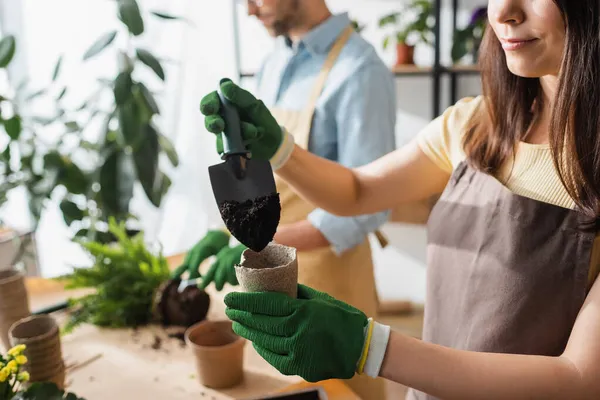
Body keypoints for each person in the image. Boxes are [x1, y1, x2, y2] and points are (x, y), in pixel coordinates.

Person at [199, 0, 600, 399]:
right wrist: (280, 149)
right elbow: (358, 191)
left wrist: (369, 347)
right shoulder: (473, 125)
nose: (504, 12)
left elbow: (579, 377)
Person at [176, 1, 396, 397]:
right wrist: (226, 229)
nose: (248, 10)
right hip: (268, 280)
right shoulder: (274, 62)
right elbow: (262, 178)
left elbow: (368, 209)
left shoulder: (360, 71)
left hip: (333, 283)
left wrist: (258, 245)